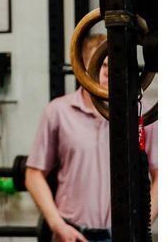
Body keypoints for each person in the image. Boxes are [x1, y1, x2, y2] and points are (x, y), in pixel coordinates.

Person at [25, 34, 158, 241]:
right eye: (103, 66)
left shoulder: (143, 115)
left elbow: (162, 176)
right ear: (85, 69)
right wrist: (57, 225)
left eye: (114, 66)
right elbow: (34, 174)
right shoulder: (58, 112)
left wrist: (142, 224)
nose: (110, 74)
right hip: (72, 234)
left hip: (122, 235)